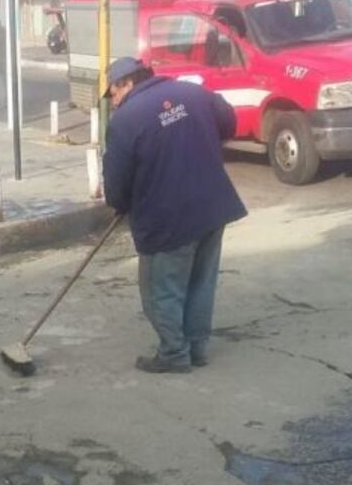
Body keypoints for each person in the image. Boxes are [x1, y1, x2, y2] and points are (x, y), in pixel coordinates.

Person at [102, 57, 247, 373]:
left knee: (161, 289)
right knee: (200, 282)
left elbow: (116, 181)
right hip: (211, 207)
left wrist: (119, 202)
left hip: (167, 217)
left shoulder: (126, 119)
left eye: (112, 93)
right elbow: (229, 122)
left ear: (126, 83)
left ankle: (173, 353)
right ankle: (196, 348)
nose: (113, 102)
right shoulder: (192, 93)